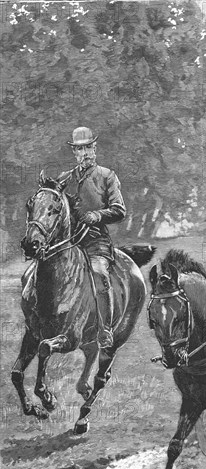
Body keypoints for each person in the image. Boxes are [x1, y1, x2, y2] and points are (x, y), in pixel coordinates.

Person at [58, 127, 126, 348]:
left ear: (95, 149)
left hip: (96, 243)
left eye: (88, 147)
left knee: (99, 274)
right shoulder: (64, 179)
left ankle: (105, 329)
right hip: (67, 244)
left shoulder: (107, 176)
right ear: (74, 152)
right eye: (80, 149)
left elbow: (119, 210)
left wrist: (97, 215)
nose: (85, 153)